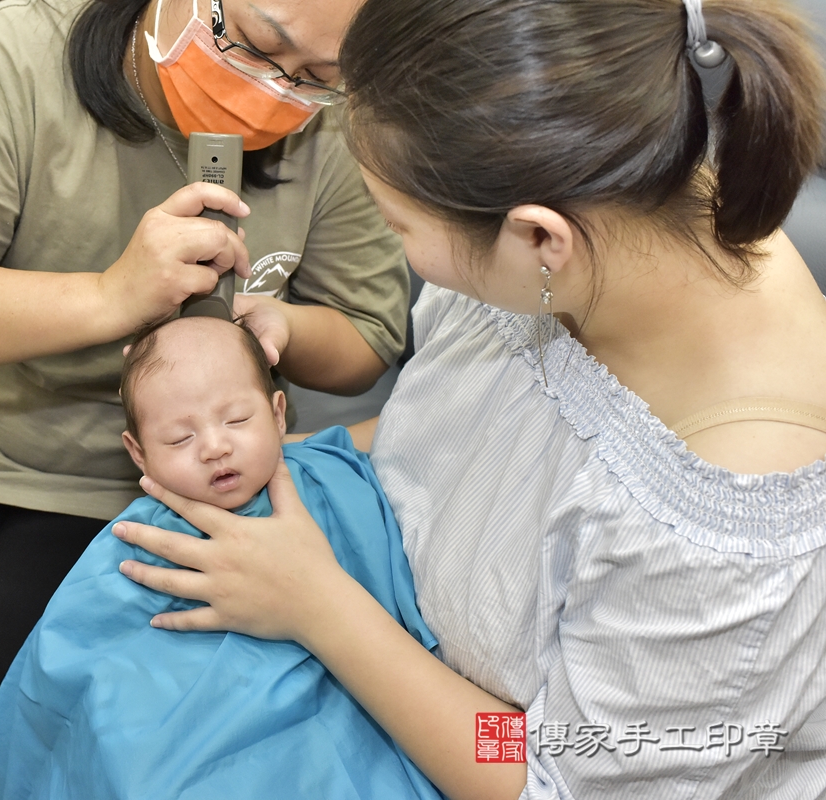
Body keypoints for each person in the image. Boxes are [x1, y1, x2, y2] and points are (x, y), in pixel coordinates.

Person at [108, 0, 826, 798]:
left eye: (397, 225)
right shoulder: (612, 215)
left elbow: (543, 771)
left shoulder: (724, 529)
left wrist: (324, 611)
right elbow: (452, 430)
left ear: (535, 239)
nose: (400, 248)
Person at [0, 0, 410, 793]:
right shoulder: (22, 51)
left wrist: (277, 326)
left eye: (316, 78)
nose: (275, 90)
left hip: (163, 466)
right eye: (261, 46)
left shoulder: (333, 127)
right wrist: (112, 296)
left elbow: (367, 337)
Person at [0, 313, 441, 799]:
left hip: (369, 706)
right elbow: (76, 657)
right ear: (139, 452)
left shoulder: (333, 476)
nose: (215, 446)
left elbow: (394, 599)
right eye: (179, 438)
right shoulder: (139, 539)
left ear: (278, 414)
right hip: (190, 724)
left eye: (237, 419)